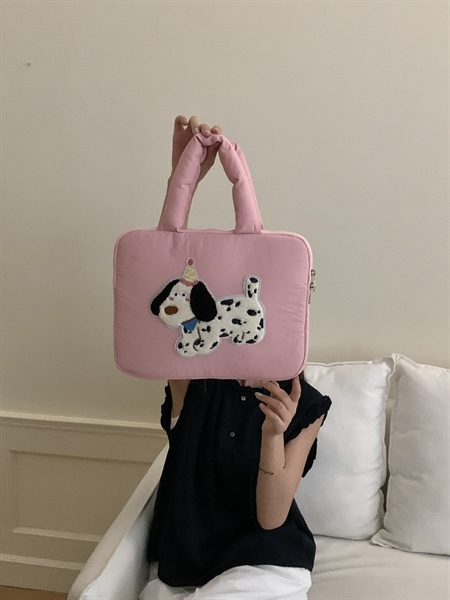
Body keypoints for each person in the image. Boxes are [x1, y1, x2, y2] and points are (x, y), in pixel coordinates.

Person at [139, 116, 332, 600]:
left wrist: (273, 436)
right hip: (184, 564)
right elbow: (169, 277)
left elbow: (270, 517)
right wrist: (182, 176)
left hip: (267, 562)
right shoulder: (196, 375)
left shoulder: (305, 405)